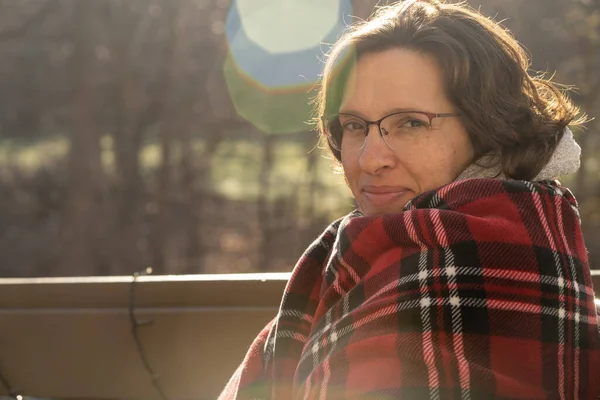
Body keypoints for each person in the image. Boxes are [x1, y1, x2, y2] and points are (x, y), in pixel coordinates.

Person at [219, 0, 600, 398]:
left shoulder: (478, 265)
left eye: (411, 123)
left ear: (489, 127)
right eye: (354, 126)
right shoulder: (351, 259)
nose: (369, 159)